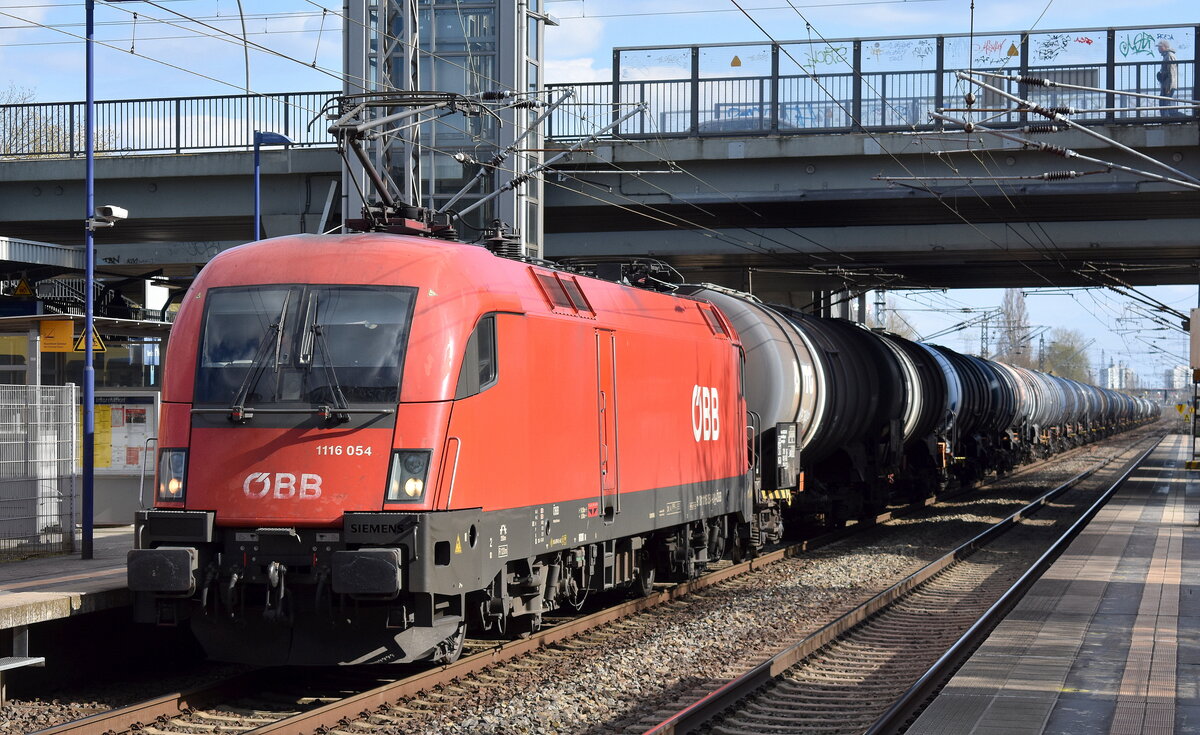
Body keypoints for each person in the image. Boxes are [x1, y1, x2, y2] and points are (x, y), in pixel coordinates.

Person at [1156, 40, 1184, 118]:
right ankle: (1167, 118)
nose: (1158, 49)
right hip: (1166, 84)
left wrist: (1169, 86)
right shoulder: (1166, 56)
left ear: (1164, 47)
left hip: (1168, 85)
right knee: (1164, 103)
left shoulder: (1169, 56)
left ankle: (1167, 119)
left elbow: (1172, 72)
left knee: (1164, 103)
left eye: (1159, 47)